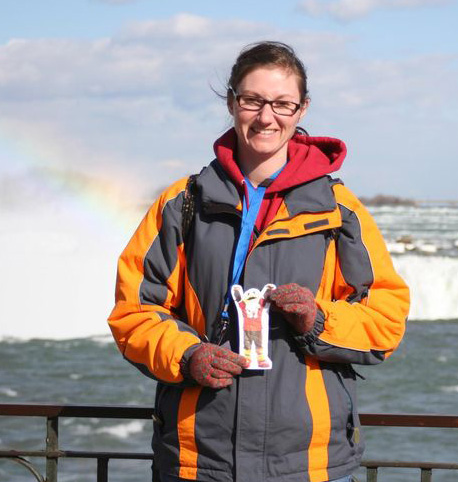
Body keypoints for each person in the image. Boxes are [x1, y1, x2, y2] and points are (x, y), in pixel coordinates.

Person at [108, 41, 410, 482]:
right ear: (232, 102)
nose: (267, 117)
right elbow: (134, 312)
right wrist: (188, 355)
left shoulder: (338, 209)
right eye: (253, 100)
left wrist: (319, 320)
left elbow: (386, 319)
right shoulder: (182, 203)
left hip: (310, 463)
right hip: (198, 461)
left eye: (283, 104)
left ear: (302, 110)